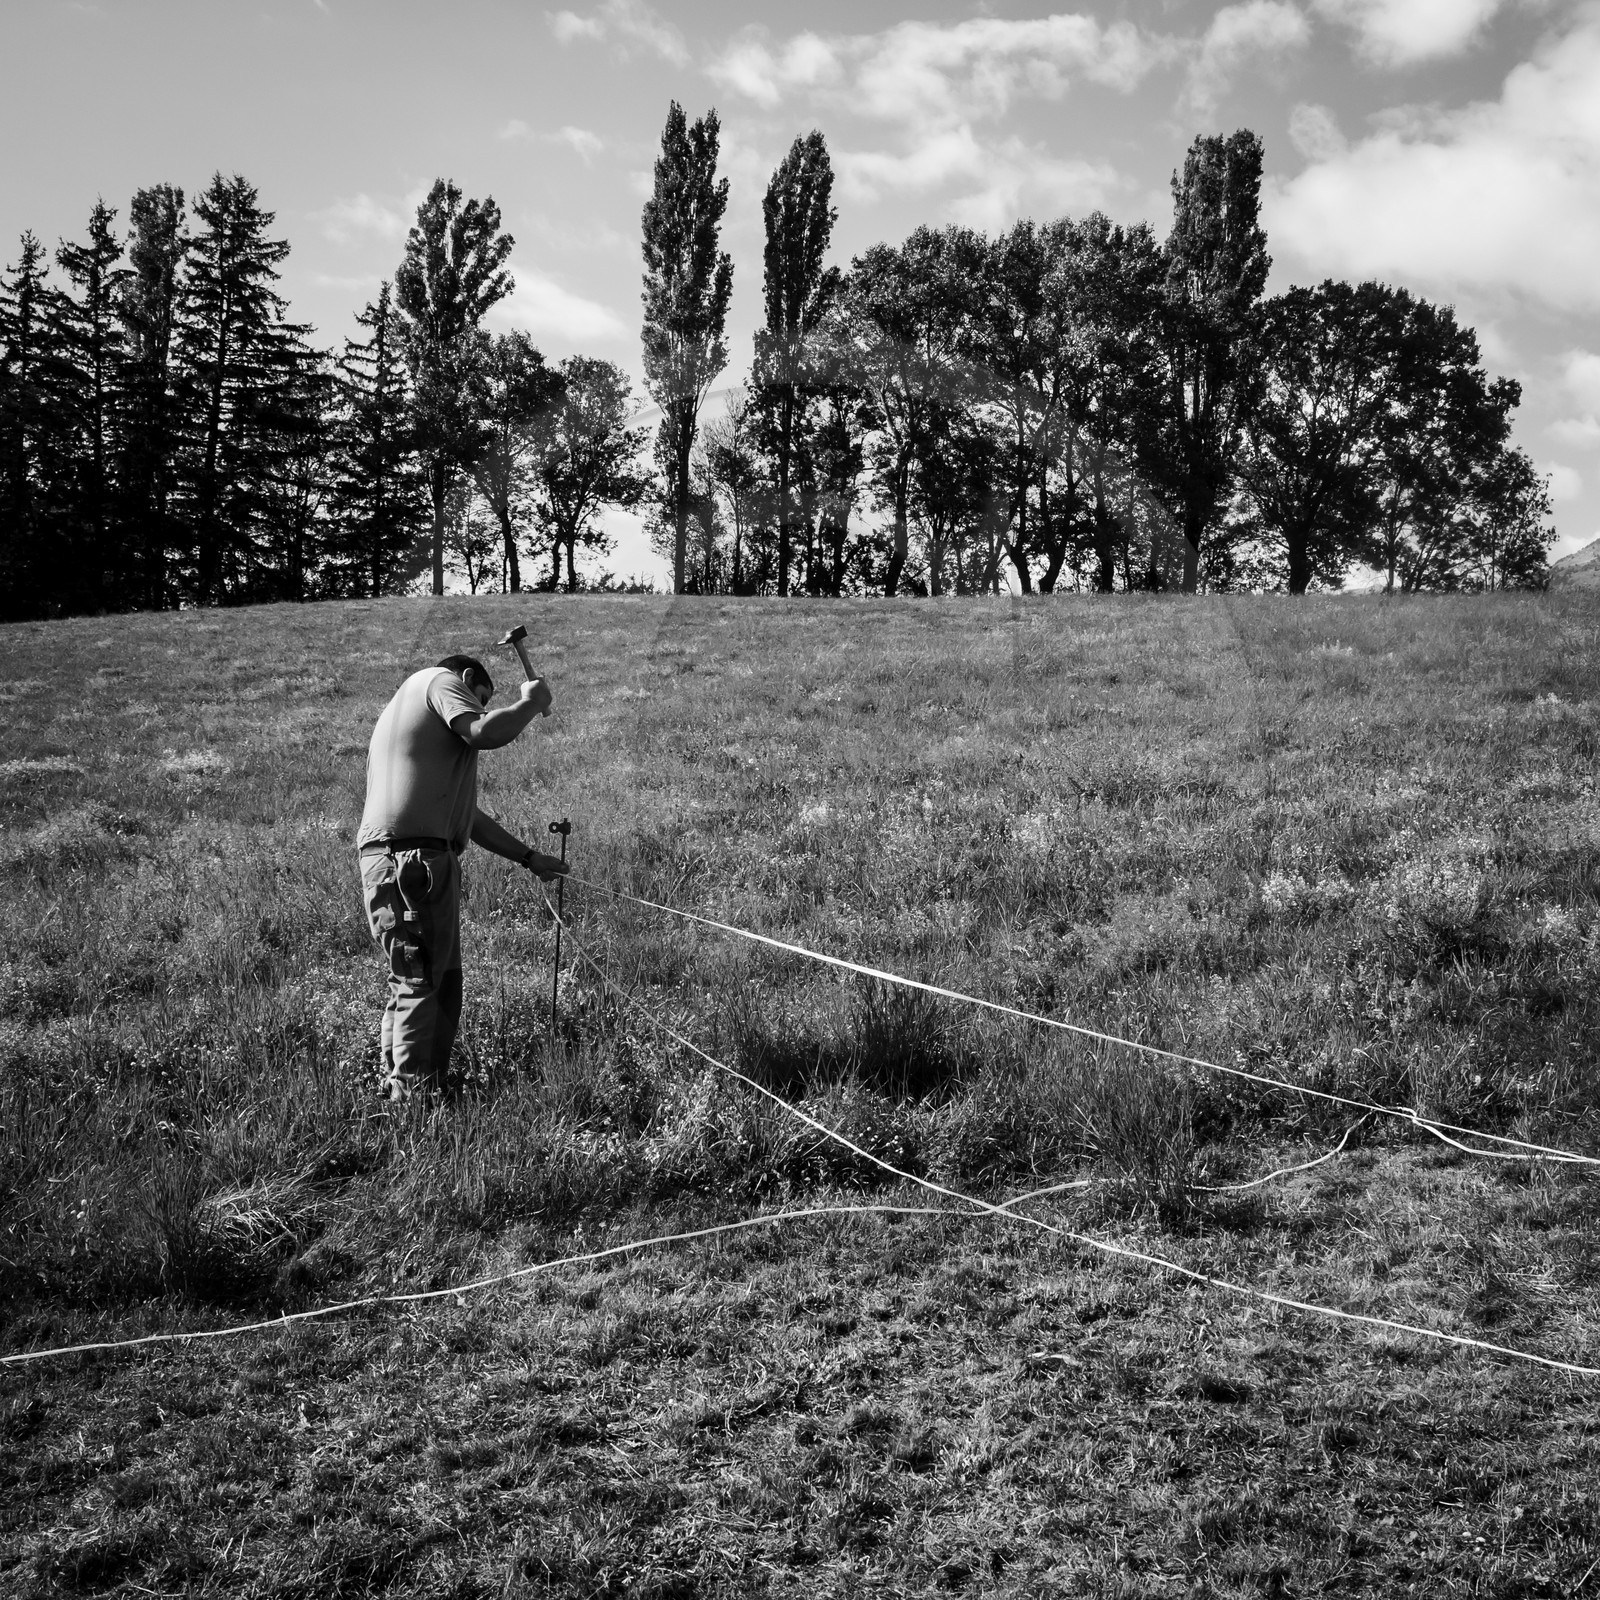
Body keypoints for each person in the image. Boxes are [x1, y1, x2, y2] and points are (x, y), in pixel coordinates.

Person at [357, 652, 568, 1101]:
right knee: (432, 981)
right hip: (414, 859)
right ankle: (417, 1100)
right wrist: (530, 703)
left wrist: (529, 857)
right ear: (468, 678)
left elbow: (465, 816)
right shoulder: (438, 681)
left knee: (413, 977)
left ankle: (398, 1086)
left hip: (388, 859)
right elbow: (483, 732)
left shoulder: (405, 716)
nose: (481, 709)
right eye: (482, 699)